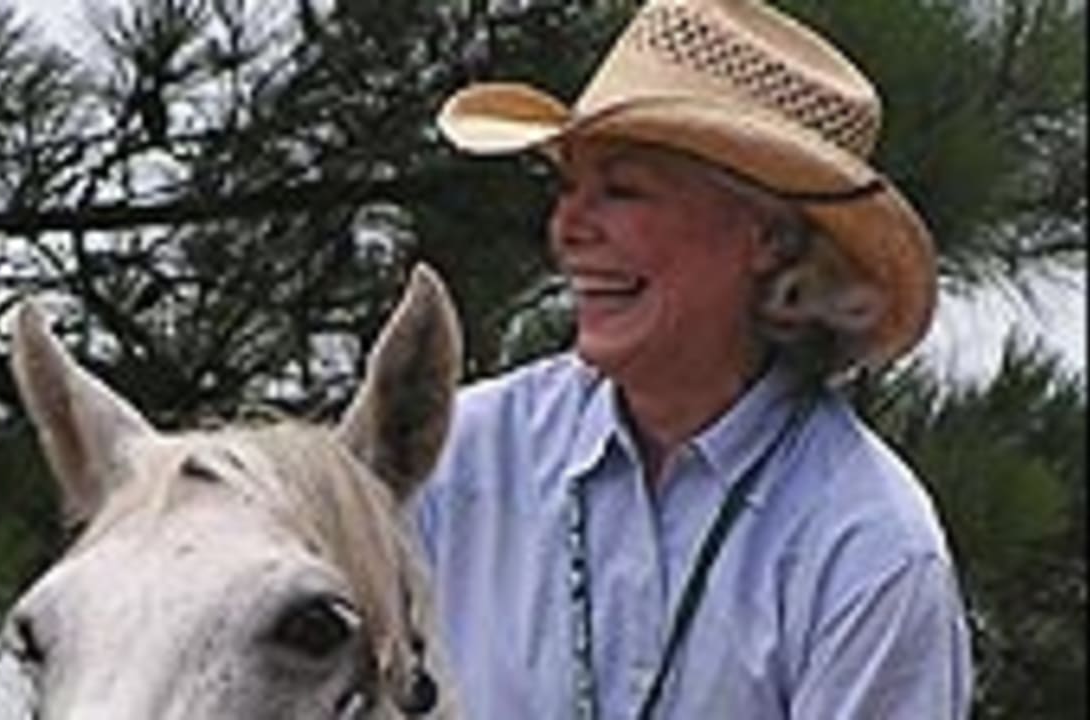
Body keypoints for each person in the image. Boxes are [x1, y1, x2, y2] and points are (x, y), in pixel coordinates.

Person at [412, 0, 973, 718]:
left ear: (767, 239)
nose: (568, 229)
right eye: (567, 188)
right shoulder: (457, 461)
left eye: (622, 190)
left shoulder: (869, 549)